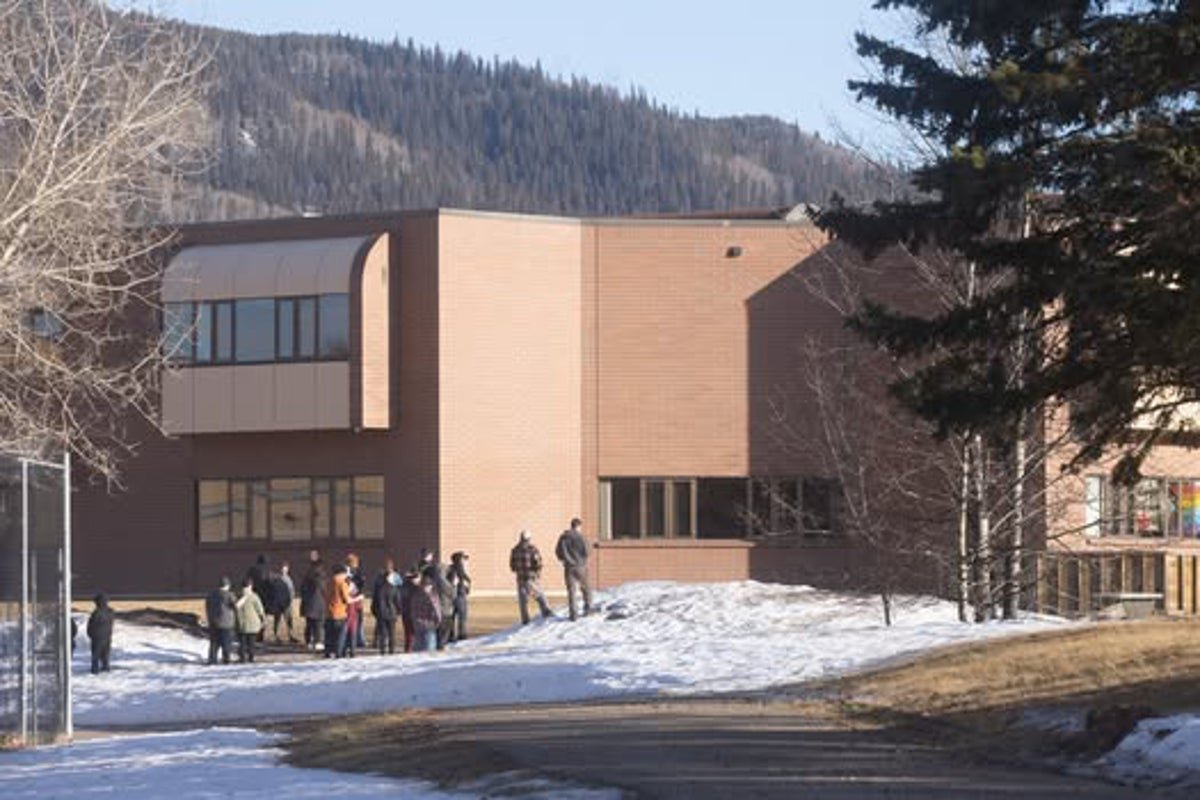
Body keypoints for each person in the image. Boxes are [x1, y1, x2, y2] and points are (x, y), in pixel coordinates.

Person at [509, 530, 553, 624]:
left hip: (520, 578)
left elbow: (512, 566)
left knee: (523, 601)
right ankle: (547, 613)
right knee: (540, 596)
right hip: (530, 578)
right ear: (529, 539)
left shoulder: (515, 550)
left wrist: (518, 570)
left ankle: (525, 620)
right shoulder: (532, 549)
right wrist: (537, 573)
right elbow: (538, 563)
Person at [555, 517, 593, 621]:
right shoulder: (581, 538)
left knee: (571, 591)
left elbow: (558, 552)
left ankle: (573, 615)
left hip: (568, 568)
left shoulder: (563, 538)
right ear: (578, 526)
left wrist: (565, 559)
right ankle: (587, 609)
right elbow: (588, 552)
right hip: (581, 566)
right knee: (586, 588)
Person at [205, 577, 237, 665]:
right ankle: (226, 660)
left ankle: (212, 660)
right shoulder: (229, 595)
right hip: (226, 623)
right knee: (226, 644)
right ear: (227, 585)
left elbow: (207, 607)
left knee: (214, 643)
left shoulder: (211, 595)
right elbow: (235, 607)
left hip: (213, 622)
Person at [410, 565, 442, 652]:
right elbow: (436, 611)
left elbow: (413, 610)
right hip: (429, 627)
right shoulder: (431, 593)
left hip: (418, 625)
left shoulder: (416, 591)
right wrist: (436, 623)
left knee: (418, 654)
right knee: (428, 654)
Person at [371, 561, 401, 655]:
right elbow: (398, 601)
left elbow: (374, 601)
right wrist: (398, 612)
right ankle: (391, 651)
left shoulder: (379, 588)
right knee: (392, 634)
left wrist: (375, 612)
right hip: (392, 613)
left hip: (381, 613)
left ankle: (382, 651)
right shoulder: (394, 588)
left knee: (383, 634)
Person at [299, 552, 327, 651]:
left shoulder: (307, 576)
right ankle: (318, 641)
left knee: (309, 624)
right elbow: (325, 591)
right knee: (318, 624)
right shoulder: (322, 577)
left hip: (308, 604)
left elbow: (302, 589)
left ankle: (308, 641)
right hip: (319, 604)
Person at [235, 578, 266, 663]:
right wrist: (263, 619)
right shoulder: (254, 597)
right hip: (253, 623)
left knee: (242, 642)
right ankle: (251, 658)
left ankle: (242, 658)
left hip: (241, 623)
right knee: (251, 642)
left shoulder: (238, 596)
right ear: (251, 586)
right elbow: (260, 610)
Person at [324, 564, 352, 659]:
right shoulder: (342, 583)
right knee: (340, 636)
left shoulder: (329, 582)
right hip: (340, 613)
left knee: (330, 636)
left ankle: (328, 653)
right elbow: (346, 599)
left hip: (329, 612)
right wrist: (357, 598)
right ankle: (339, 654)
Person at [86, 593, 114, 674]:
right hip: (107, 636)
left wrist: (90, 634)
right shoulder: (111, 612)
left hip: (97, 637)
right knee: (105, 653)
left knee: (96, 655)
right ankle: (106, 667)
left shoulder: (96, 613)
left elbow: (91, 625)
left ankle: (95, 670)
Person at [432, 556, 456, 650]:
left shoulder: (434, 580)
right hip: (444, 609)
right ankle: (440, 647)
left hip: (437, 609)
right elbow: (452, 593)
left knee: (439, 631)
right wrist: (453, 584)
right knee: (444, 630)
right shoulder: (442, 581)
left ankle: (439, 646)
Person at [271, 561, 298, 643]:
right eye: (282, 569)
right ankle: (276, 636)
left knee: (289, 619)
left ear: (287, 569)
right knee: (277, 620)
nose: (283, 570)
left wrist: (291, 599)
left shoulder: (289, 579)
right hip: (278, 602)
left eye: (285, 569)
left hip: (287, 602)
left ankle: (291, 635)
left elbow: (292, 591)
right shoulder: (277, 578)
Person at [448, 551, 472, 641]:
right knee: (459, 617)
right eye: (463, 558)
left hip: (461, 595)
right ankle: (459, 635)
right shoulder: (455, 570)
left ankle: (456, 635)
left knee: (459, 617)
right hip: (457, 595)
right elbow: (454, 583)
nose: (465, 561)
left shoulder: (462, 569)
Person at [346, 552, 367, 649]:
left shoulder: (358, 572)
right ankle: (357, 639)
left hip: (357, 598)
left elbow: (362, 583)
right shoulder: (349, 573)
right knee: (354, 620)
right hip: (354, 598)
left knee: (359, 619)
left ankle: (359, 639)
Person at [398, 568, 418, 653]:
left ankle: (408, 649)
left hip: (405, 612)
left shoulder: (403, 586)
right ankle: (410, 649)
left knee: (408, 632)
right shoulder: (415, 588)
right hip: (412, 612)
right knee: (412, 632)